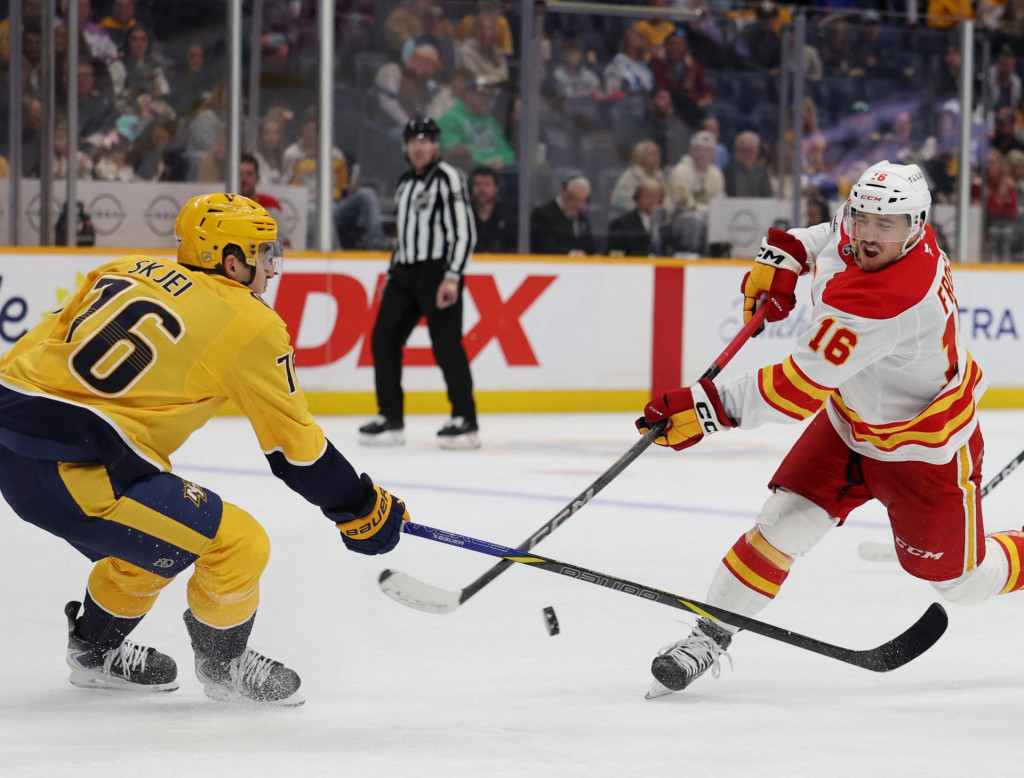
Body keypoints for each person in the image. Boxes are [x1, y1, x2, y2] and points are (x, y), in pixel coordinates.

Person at [0, 193, 410, 705]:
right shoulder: (249, 322)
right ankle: (225, 667)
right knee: (239, 542)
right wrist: (360, 506)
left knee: (161, 532)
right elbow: (296, 451)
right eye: (262, 253)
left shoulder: (125, 267)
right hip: (78, 470)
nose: (270, 266)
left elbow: (33, 349)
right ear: (231, 260)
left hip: (18, 445)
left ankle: (93, 650)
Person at [635, 161, 1019, 700]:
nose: (867, 234)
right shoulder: (878, 229)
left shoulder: (893, 300)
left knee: (964, 583)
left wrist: (705, 406)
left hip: (923, 450)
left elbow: (793, 389)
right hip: (850, 423)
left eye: (885, 225)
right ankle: (709, 634)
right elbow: (830, 232)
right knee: (781, 527)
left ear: (917, 225)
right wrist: (791, 251)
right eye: (863, 217)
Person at [359, 117, 479, 449]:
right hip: (404, 273)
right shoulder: (405, 183)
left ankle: (466, 420)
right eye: (413, 141)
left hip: (437, 272)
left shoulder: (448, 178)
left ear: (436, 145)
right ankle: (390, 418)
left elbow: (464, 230)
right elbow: (402, 236)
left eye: (425, 140)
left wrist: (453, 276)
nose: (419, 147)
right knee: (383, 340)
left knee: (446, 345)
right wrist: (390, 273)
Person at [530, 175, 594, 255]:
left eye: (583, 201)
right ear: (565, 194)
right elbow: (543, 246)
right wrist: (571, 254)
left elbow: (589, 245)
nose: (579, 205)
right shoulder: (543, 214)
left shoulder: (581, 218)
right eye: (575, 199)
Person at [608, 179, 671, 256]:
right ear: (637, 198)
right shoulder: (621, 224)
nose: (651, 200)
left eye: (655, 197)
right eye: (647, 196)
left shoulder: (665, 224)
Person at [469, 165, 517, 253]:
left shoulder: (509, 216)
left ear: (496, 188)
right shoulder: (465, 215)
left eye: (487, 185)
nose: (482, 189)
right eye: (478, 184)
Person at [722, 131, 774, 198]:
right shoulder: (726, 172)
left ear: (757, 152)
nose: (746, 154)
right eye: (743, 150)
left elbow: (768, 198)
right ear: (736, 151)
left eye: (750, 151)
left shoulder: (762, 174)